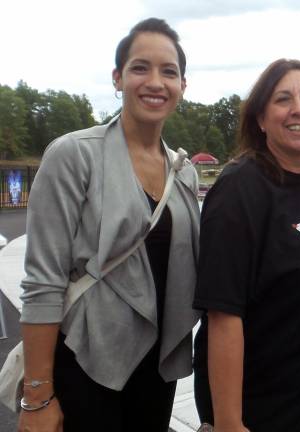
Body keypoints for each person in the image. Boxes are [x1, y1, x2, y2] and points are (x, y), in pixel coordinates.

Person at [17, 18, 200, 432]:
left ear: (183, 86)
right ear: (118, 79)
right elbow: (43, 282)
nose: (155, 81)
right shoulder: (74, 155)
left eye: (168, 71)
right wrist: (37, 396)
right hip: (85, 361)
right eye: (140, 68)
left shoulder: (183, 172)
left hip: (157, 369)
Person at [193, 59, 300, 432]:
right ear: (260, 119)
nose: (299, 109)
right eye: (283, 99)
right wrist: (228, 422)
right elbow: (222, 315)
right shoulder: (242, 188)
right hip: (266, 409)